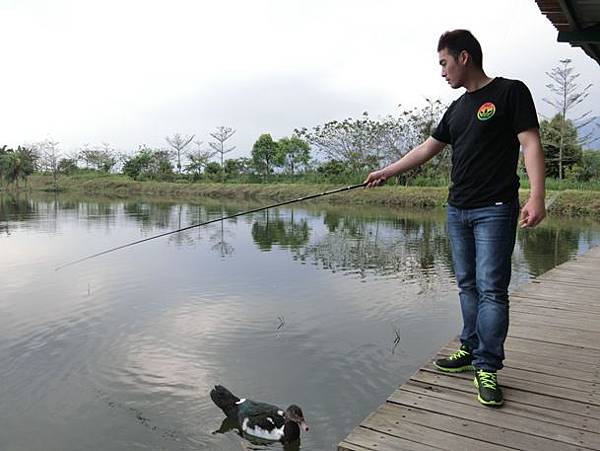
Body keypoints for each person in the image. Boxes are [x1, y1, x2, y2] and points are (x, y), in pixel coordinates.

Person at [365, 29, 546, 406]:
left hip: (495, 209)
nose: (442, 72)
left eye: (444, 63)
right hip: (457, 209)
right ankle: (470, 346)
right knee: (467, 285)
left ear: (464, 57)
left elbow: (529, 143)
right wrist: (387, 171)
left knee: (492, 289)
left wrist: (536, 196)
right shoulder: (457, 109)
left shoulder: (510, 92)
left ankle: (487, 366)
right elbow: (426, 149)